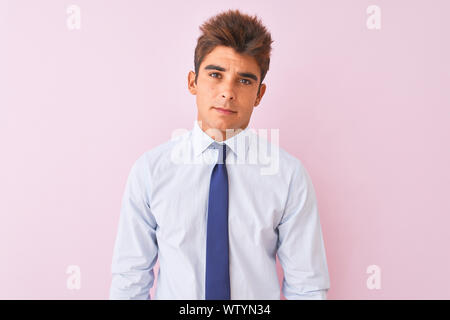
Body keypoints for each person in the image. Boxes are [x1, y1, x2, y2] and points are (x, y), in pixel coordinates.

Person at [109, 8, 330, 300]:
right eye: (215, 74)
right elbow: (130, 279)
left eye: (244, 80)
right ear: (193, 82)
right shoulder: (150, 171)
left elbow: (307, 287)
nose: (227, 92)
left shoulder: (288, 176)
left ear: (260, 94)